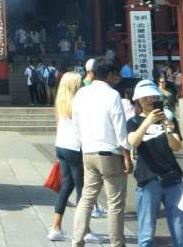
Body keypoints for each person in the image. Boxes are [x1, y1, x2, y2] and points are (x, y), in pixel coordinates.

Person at [71, 57, 132, 247]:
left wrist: (82, 145)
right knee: (114, 203)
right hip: (109, 153)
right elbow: (120, 128)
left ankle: (77, 240)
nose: (116, 78)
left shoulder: (81, 93)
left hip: (88, 151)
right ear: (109, 74)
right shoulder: (112, 95)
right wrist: (127, 154)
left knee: (87, 198)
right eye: (115, 74)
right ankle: (116, 243)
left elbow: (76, 123)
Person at [126, 79, 183, 247]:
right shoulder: (133, 122)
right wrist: (147, 122)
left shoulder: (168, 118)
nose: (149, 100)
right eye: (144, 98)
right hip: (148, 179)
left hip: (172, 179)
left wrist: (167, 127)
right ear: (138, 100)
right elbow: (133, 141)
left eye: (152, 96)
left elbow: (177, 146)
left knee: (179, 227)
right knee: (146, 231)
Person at [48, 71, 102, 243]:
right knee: (83, 189)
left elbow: (58, 125)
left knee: (67, 186)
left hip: (61, 146)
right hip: (75, 148)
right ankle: (84, 230)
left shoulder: (60, 102)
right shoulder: (79, 102)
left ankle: (56, 227)